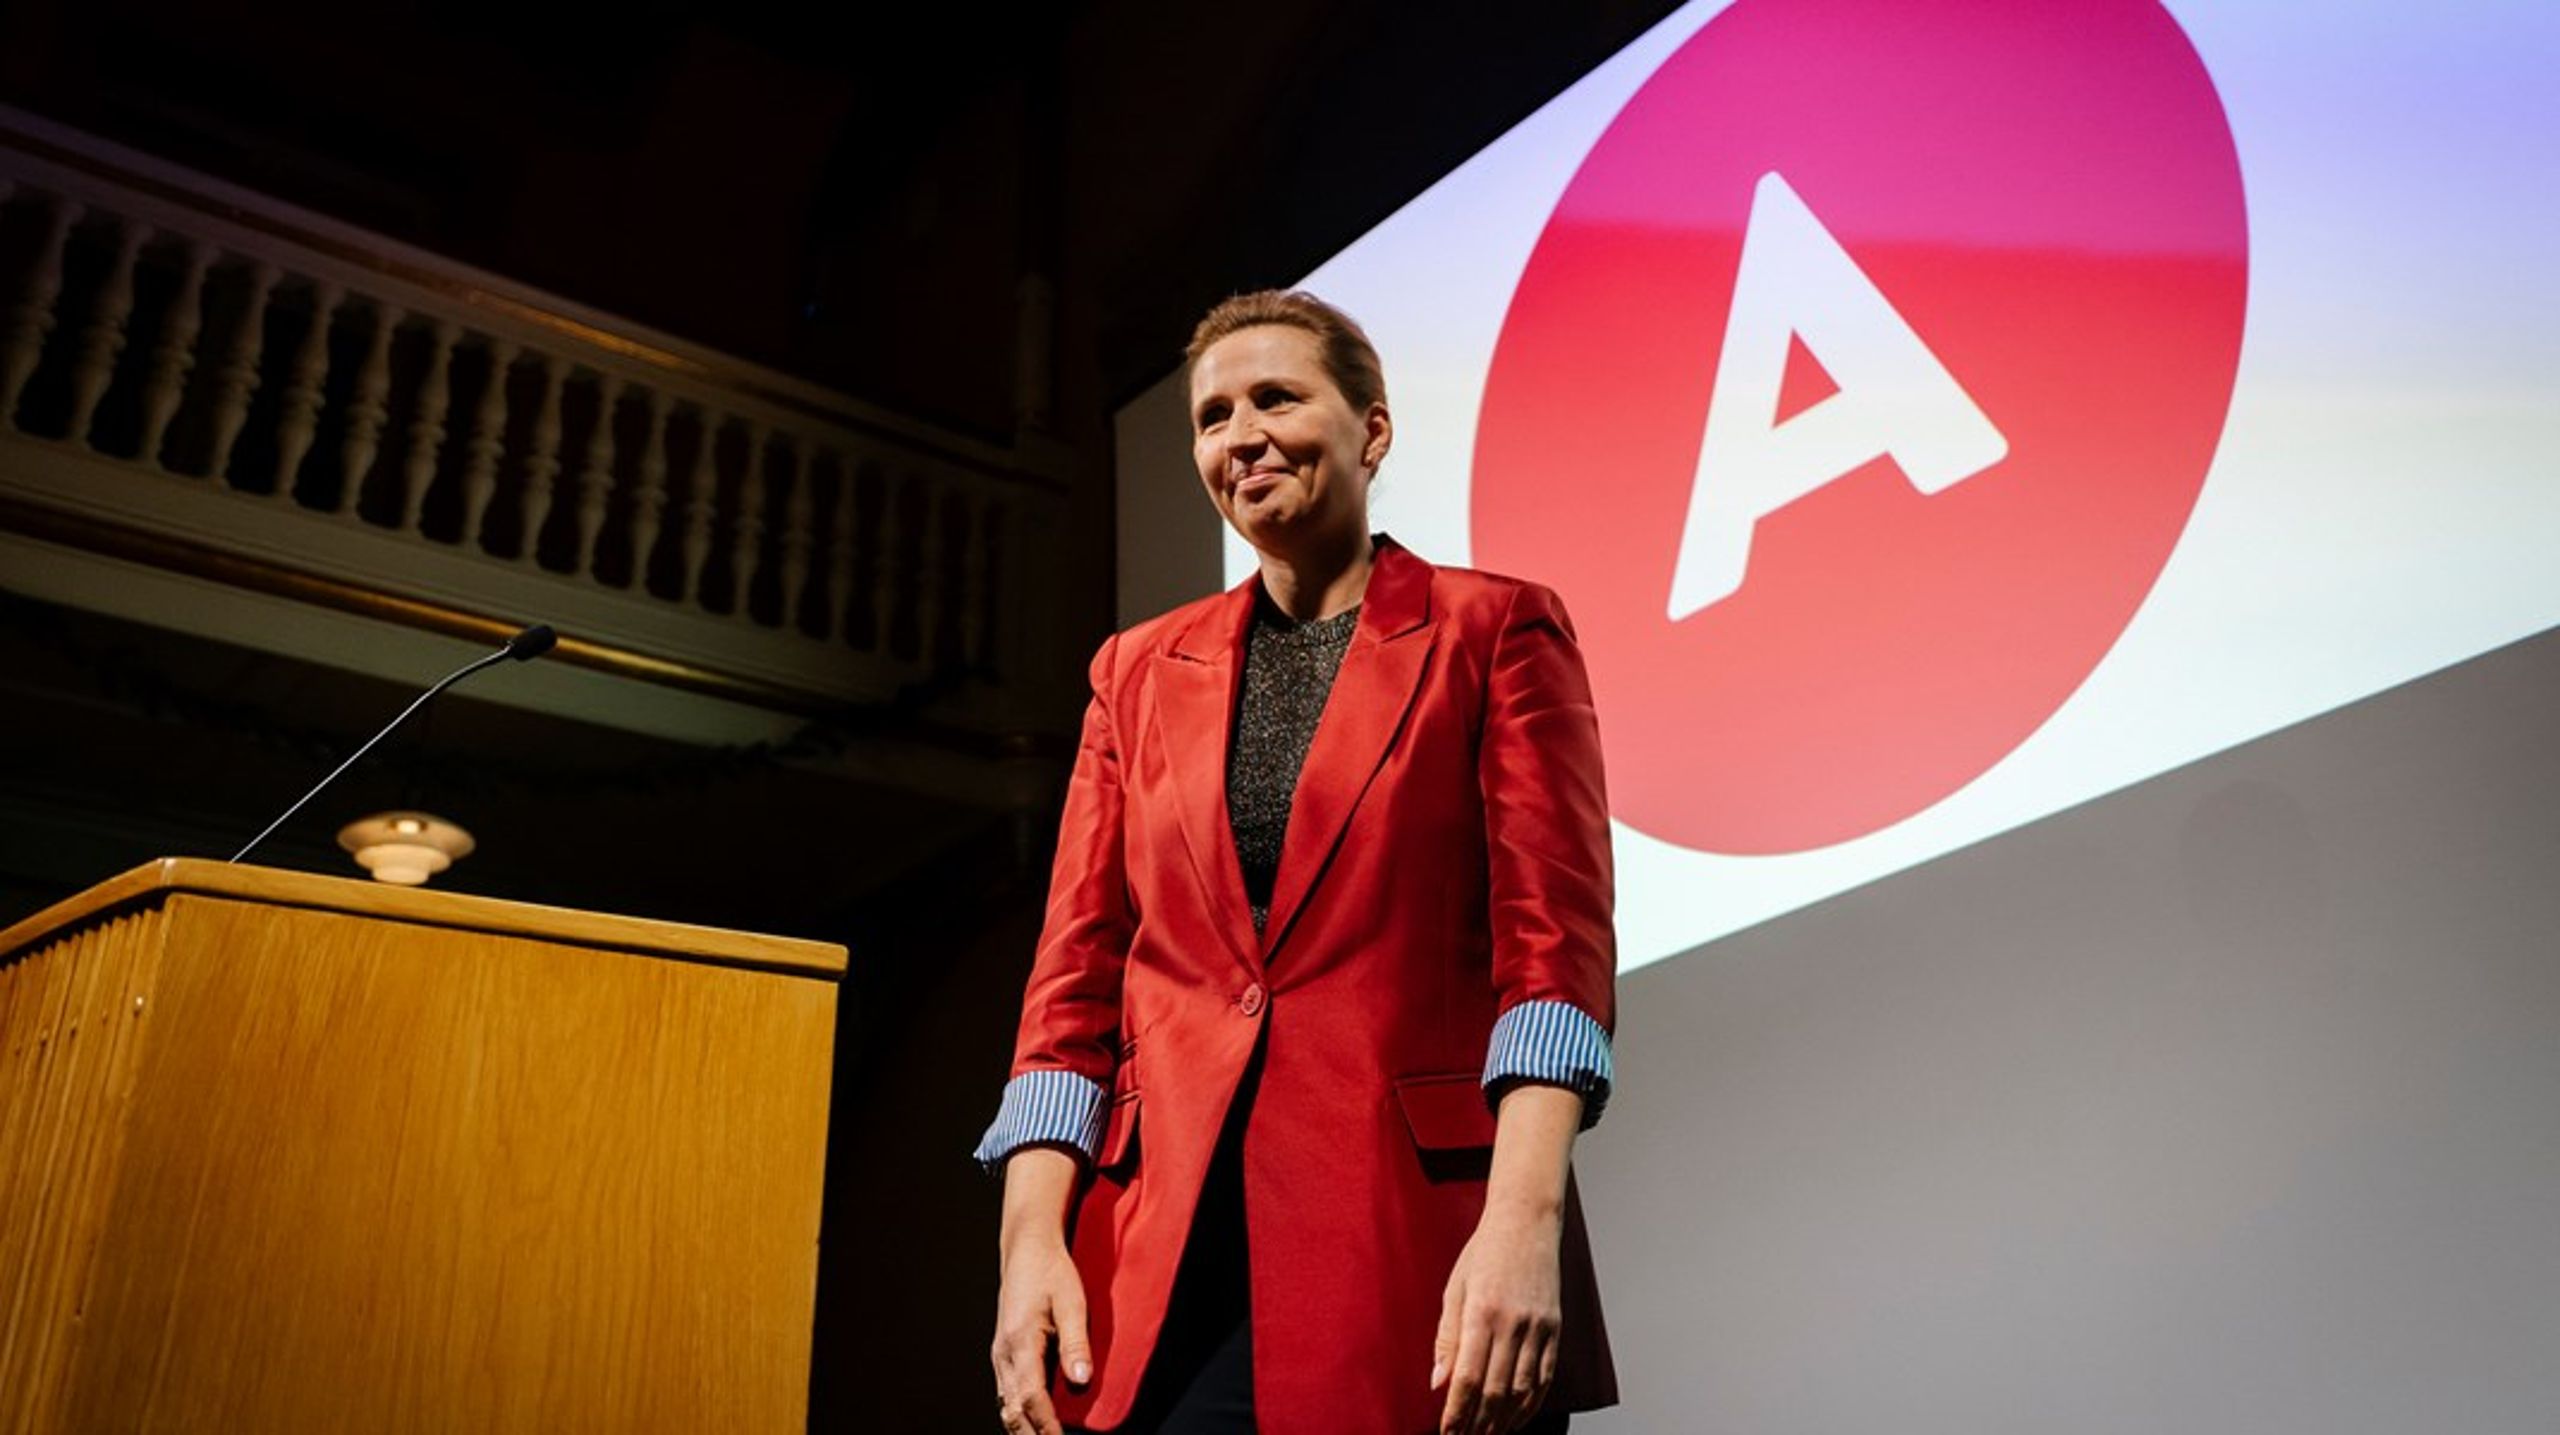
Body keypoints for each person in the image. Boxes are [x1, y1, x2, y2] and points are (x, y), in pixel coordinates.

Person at [980, 290, 1618, 1435]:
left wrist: (1523, 1227)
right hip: (1160, 1261)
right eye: (1213, 415)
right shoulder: (1132, 674)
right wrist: (1030, 1245)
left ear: (1371, 430)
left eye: (1277, 397)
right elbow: (1071, 983)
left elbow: (1552, 960)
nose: (1241, 435)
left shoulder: (1497, 630)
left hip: (1411, 1247)